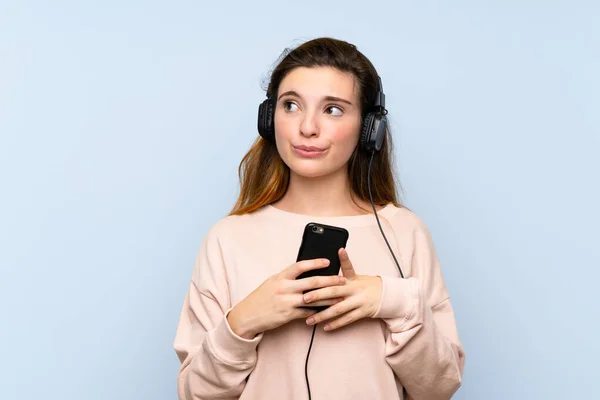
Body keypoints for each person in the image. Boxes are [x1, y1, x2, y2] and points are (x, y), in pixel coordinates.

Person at [173, 37, 465, 400]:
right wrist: (243, 321)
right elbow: (195, 394)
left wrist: (397, 302)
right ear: (269, 118)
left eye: (333, 109)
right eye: (291, 105)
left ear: (369, 128)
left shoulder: (405, 232)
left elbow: (439, 388)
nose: (307, 127)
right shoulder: (227, 238)